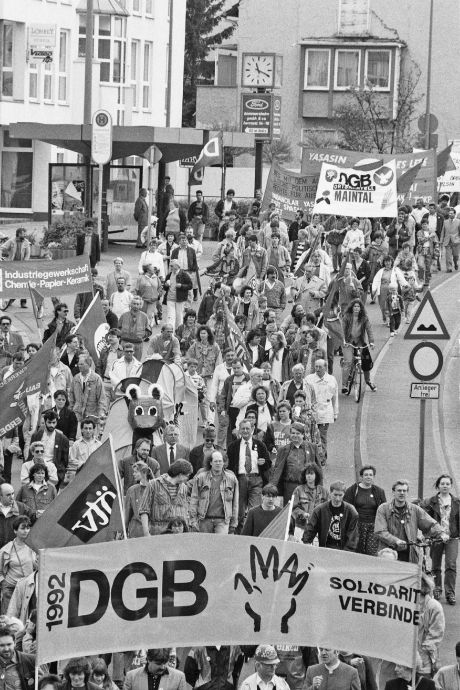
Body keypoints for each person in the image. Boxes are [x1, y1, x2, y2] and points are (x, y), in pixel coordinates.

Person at [374, 479, 447, 562]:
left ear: (407, 493)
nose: (402, 493)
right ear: (393, 492)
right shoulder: (383, 508)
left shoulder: (414, 509)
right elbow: (380, 531)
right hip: (389, 553)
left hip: (409, 553)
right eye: (399, 490)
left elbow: (429, 523)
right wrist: (395, 541)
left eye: (404, 491)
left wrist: (441, 533)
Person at [227, 419, 271, 533]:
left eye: (248, 428)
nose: (245, 431)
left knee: (254, 509)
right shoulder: (233, 446)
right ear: (239, 430)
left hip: (256, 479)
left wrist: (264, 462)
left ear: (252, 429)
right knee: (239, 511)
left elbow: (268, 463)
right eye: (243, 428)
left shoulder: (260, 445)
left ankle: (254, 534)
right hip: (240, 480)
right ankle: (240, 535)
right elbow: (229, 465)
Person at [421, 474, 460, 604]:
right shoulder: (430, 502)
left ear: (451, 486)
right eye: (442, 483)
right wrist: (429, 536)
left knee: (451, 564)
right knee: (436, 565)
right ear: (438, 485)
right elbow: (426, 521)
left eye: (447, 484)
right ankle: (437, 588)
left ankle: (450, 592)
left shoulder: (457, 502)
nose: (445, 486)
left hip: (452, 537)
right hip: (436, 538)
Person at [139, 459, 193, 535]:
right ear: (180, 475)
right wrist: (146, 533)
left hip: (178, 533)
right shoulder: (154, 484)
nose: (187, 478)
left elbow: (185, 511)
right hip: (158, 532)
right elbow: (144, 510)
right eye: (187, 476)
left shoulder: (184, 488)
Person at [189, 450, 239, 534]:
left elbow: (235, 503)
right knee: (204, 546)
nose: (218, 463)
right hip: (204, 520)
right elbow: (194, 499)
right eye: (215, 461)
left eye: (220, 461)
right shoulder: (201, 478)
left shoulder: (231, 479)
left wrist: (234, 522)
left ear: (224, 463)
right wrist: (193, 520)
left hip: (223, 521)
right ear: (211, 463)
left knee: (221, 546)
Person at [343, 465, 386, 556]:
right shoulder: (353, 490)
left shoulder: (379, 491)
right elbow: (346, 507)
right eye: (366, 475)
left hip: (373, 526)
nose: (368, 477)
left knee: (371, 552)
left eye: (371, 475)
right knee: (357, 550)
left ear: (373, 477)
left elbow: (384, 508)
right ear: (361, 477)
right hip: (357, 525)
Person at [271, 423, 320, 503]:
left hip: (307, 485)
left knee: (307, 510)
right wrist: (272, 487)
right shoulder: (283, 449)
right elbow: (277, 469)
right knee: (290, 510)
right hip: (289, 486)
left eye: (298, 433)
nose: (295, 435)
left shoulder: (312, 447)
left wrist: (319, 487)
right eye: (293, 433)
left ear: (303, 435)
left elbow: (318, 469)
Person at [304, 480, 359, 550]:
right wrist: (307, 542)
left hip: (343, 549)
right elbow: (311, 528)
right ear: (330, 493)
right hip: (325, 547)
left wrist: (347, 552)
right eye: (335, 495)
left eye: (340, 495)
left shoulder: (351, 511)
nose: (337, 498)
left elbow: (352, 536)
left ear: (344, 494)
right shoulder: (320, 510)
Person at [0, 516, 36, 614]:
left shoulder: (35, 546)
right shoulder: (6, 549)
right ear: (15, 531)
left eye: (28, 528)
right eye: (23, 528)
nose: (26, 531)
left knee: (28, 617)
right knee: (8, 620)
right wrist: (4, 584)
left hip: (28, 587)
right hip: (11, 588)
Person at [187, 326, 222, 425]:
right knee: (196, 398)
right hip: (197, 377)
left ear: (208, 334)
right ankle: (196, 419)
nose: (203, 335)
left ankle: (210, 421)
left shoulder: (215, 346)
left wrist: (216, 375)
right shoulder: (194, 345)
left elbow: (218, 362)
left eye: (205, 333)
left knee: (210, 398)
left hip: (210, 377)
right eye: (201, 333)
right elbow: (189, 358)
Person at [341, 299, 376, 393]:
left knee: (365, 363)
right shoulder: (346, 317)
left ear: (361, 308)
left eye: (358, 306)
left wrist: (371, 342)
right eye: (355, 306)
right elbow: (342, 329)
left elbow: (369, 330)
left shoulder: (364, 318)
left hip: (360, 342)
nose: (356, 308)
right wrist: (344, 340)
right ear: (352, 308)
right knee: (348, 361)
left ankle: (368, 381)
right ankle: (344, 385)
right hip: (348, 342)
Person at [305, 358, 338, 459]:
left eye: (320, 367)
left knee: (322, 436)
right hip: (312, 413)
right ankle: (316, 455)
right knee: (311, 437)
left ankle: (321, 458)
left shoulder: (331, 379)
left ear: (325, 368)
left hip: (325, 413)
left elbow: (335, 397)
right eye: (316, 366)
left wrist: (335, 413)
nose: (317, 369)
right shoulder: (309, 379)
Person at [29, 409, 69, 485]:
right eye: (49, 422)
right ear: (45, 422)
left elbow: (65, 460)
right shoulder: (36, 435)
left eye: (54, 423)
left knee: (53, 496)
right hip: (37, 469)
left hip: (53, 471)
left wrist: (61, 474)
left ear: (57, 422)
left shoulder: (63, 439)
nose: (51, 425)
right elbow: (31, 454)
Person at [418, 573, 445, 678]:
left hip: (423, 665)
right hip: (402, 664)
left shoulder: (434, 607)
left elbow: (435, 637)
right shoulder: (403, 603)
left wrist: (420, 657)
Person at [69, 353, 107, 427]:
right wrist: (71, 411)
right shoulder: (76, 378)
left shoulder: (96, 379)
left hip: (92, 415)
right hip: (77, 415)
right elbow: (71, 397)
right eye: (79, 364)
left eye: (82, 364)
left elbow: (102, 399)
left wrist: (101, 413)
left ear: (88, 364)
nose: (79, 366)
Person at [292, 464, 329, 540]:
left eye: (311, 474)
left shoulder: (324, 491)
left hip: (318, 528)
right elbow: (293, 508)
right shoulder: (298, 490)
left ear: (316, 475)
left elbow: (328, 510)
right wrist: (303, 514)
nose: (309, 476)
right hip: (301, 527)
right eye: (307, 474)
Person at [2, 228, 30, 309]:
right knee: (12, 283)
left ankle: (23, 302)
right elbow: (2, 248)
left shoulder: (26, 242)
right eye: (23, 233)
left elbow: (28, 254)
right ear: (18, 234)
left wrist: (25, 262)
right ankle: (11, 298)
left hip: (22, 265)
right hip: (12, 265)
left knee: (24, 284)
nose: (25, 235)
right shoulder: (11, 241)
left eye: (25, 233)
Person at [125, 461, 154, 538]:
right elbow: (127, 514)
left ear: (143, 472)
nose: (133, 474)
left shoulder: (155, 488)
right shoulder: (131, 490)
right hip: (135, 531)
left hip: (153, 531)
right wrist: (123, 530)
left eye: (135, 472)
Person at [117, 296, 151, 362]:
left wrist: (141, 336)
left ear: (140, 305)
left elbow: (149, 330)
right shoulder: (124, 315)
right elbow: (118, 328)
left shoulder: (144, 316)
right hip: (125, 343)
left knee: (136, 364)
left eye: (138, 304)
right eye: (134, 304)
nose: (136, 306)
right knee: (122, 363)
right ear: (131, 304)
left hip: (138, 345)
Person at [163, 259, 193, 330]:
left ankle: (179, 332)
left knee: (179, 317)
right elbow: (164, 287)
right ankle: (170, 333)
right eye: (170, 266)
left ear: (177, 266)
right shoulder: (169, 275)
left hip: (180, 299)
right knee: (170, 317)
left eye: (171, 265)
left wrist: (181, 286)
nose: (170, 267)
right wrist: (166, 285)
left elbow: (190, 285)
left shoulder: (184, 274)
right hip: (170, 299)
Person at [134, 263, 163, 329]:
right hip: (143, 300)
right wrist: (137, 298)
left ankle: (147, 329)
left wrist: (158, 295)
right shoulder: (140, 278)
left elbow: (160, 288)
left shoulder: (156, 278)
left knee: (149, 316)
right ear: (148, 270)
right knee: (142, 315)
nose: (154, 269)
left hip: (153, 301)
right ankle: (141, 329)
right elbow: (136, 289)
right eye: (152, 268)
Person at [440, 206, 460, 272]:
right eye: (449, 213)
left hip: (456, 241)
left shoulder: (458, 222)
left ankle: (456, 263)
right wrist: (441, 240)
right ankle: (449, 268)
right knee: (448, 256)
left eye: (452, 213)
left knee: (455, 255)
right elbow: (443, 231)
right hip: (447, 240)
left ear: (455, 214)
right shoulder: (445, 222)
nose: (450, 214)